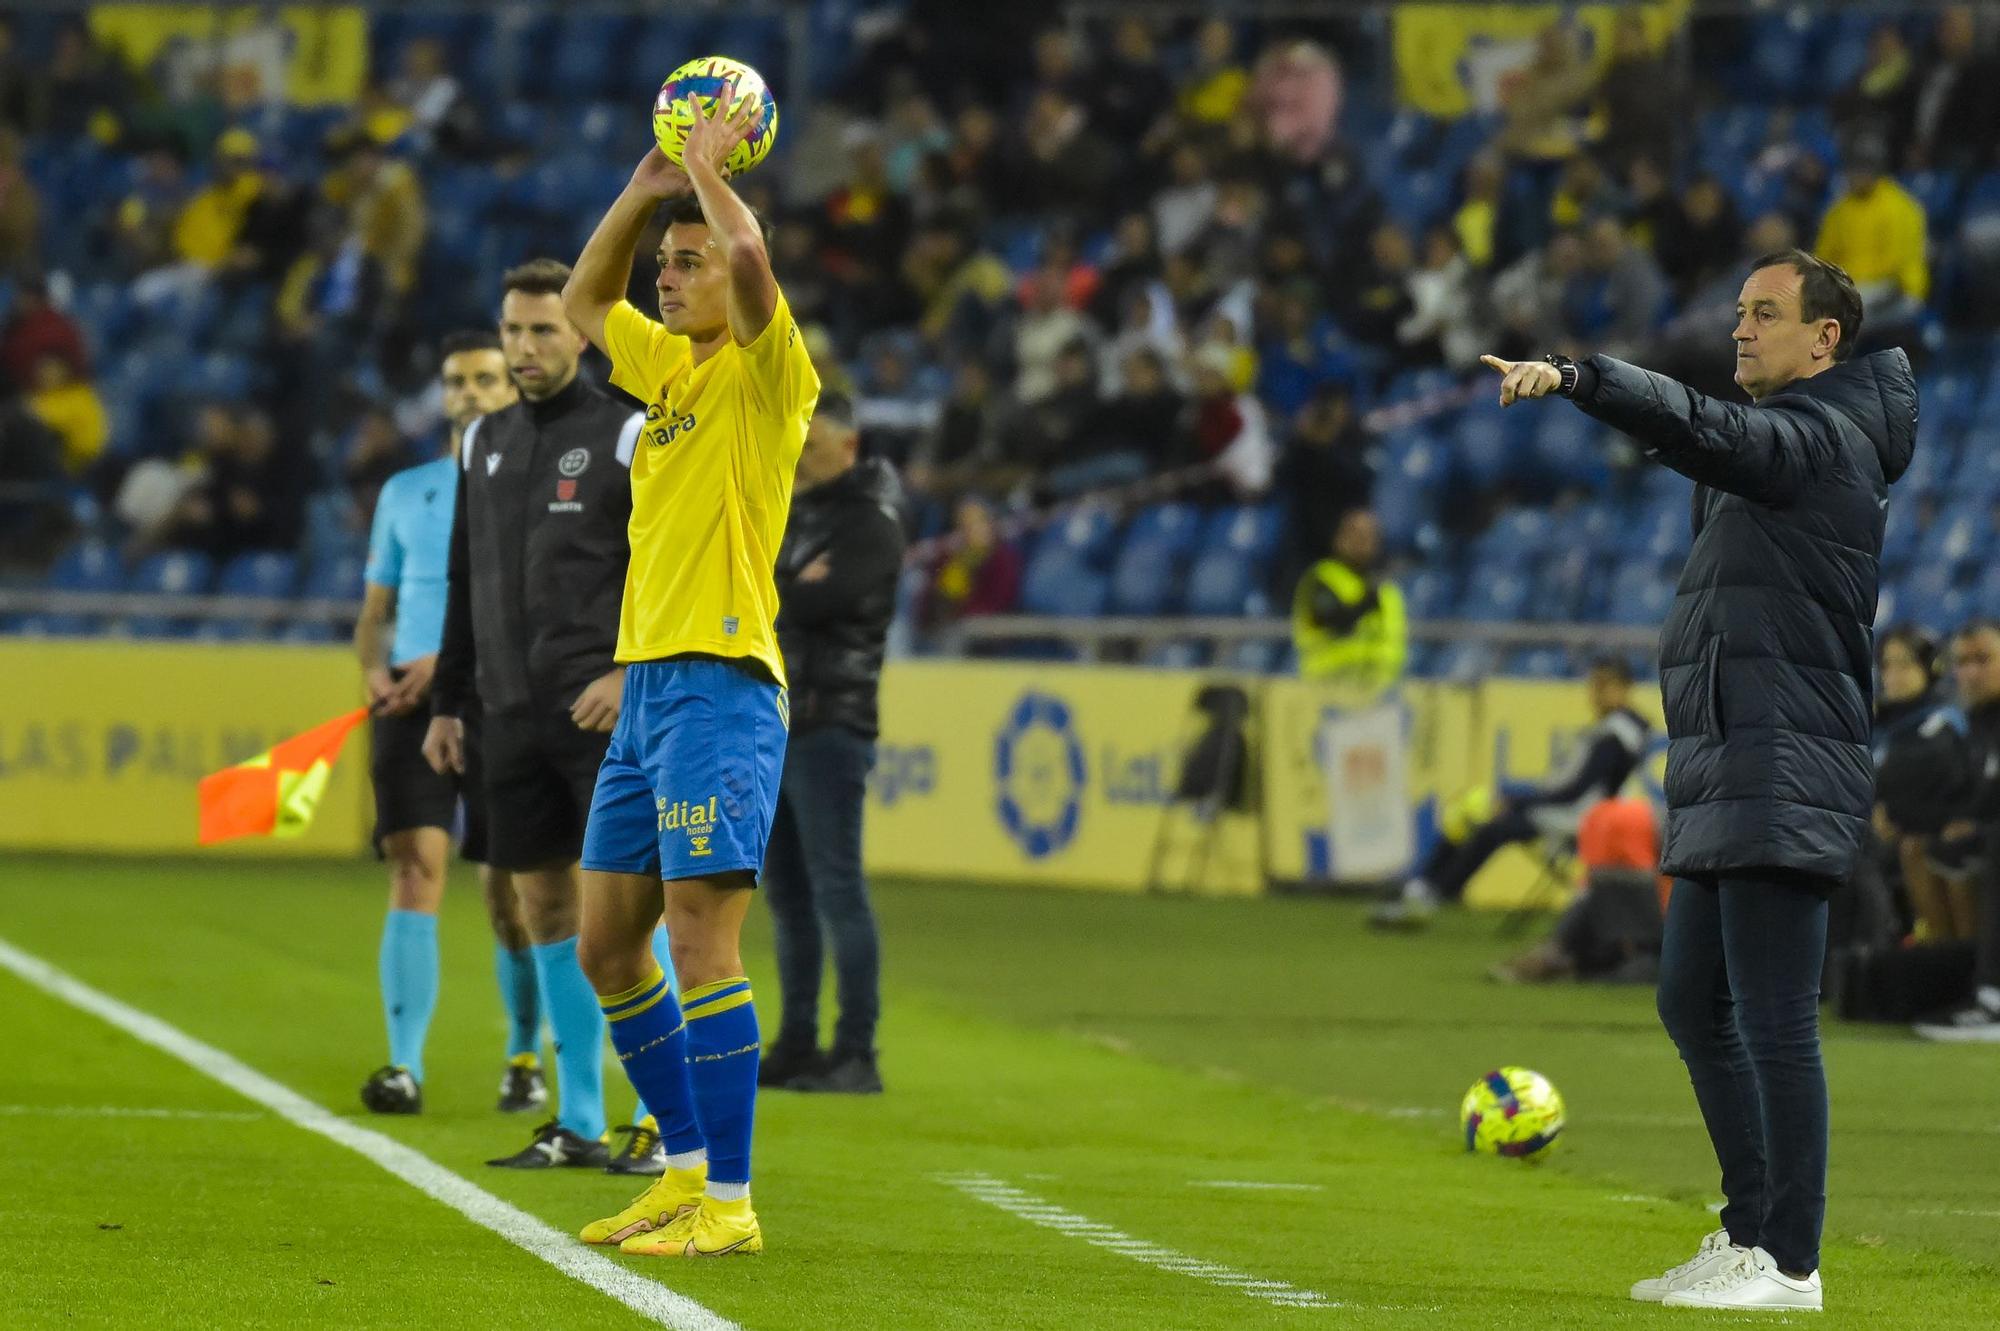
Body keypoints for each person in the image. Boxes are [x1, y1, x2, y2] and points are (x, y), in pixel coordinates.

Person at [1480, 246, 1915, 1312]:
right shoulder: (1778, 446)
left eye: (1762, 313)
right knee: (1687, 998)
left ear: (1824, 338)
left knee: (1771, 1015)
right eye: (1734, 311)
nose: (1737, 329)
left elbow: (1705, 427)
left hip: (1782, 755)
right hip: (1727, 755)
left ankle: (1790, 1263)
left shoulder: (1820, 439)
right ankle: (1747, 1229)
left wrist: (1583, 377)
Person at [560, 86, 819, 1259]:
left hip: (721, 679)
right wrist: (642, 191)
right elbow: (577, 302)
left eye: (686, 263)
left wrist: (714, 182)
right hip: (649, 686)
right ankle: (678, 1169)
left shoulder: (771, 381)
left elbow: (755, 252)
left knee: (700, 941)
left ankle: (731, 1199)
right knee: (608, 942)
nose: (666, 277)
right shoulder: (665, 374)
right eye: (665, 264)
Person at [423, 259, 667, 1176]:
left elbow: (663, 566)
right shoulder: (480, 442)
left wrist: (626, 669)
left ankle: (654, 1115)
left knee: (629, 920)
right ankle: (579, 1116)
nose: (524, 349)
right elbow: (463, 577)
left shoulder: (627, 433)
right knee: (543, 908)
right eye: (513, 331)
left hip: (603, 714)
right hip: (508, 716)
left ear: (584, 333)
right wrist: (452, 700)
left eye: (543, 331)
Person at [356, 330, 547, 1118]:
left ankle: (525, 1053)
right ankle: (404, 1066)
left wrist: (443, 663)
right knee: (414, 866)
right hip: (407, 701)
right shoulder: (406, 491)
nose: (467, 391)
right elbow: (375, 613)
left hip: (497, 697)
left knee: (512, 889)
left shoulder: (539, 485)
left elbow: (539, 604)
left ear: (511, 388)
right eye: (456, 379)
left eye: (484, 378)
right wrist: (376, 667)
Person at [760, 392, 906, 1094]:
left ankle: (857, 1050)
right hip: (782, 720)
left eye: (812, 445)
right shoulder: (806, 514)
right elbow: (786, 594)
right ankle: (797, 1043)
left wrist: (779, 586)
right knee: (788, 894)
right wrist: (787, 584)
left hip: (830, 725)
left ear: (848, 447)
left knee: (837, 888)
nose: (801, 456)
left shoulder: (869, 523)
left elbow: (806, 601)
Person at [1373, 657, 1651, 928]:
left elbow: (1575, 792)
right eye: (1594, 685)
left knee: (1491, 828)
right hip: (1570, 811)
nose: (1596, 693)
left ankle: (1430, 892)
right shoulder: (1619, 729)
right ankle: (1423, 887)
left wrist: (1519, 803)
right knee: (1468, 816)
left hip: (1581, 819)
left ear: (1625, 688)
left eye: (1604, 685)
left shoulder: (1616, 735)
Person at [1913, 620, 2000, 1041]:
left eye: (1983, 659)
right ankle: (1963, 979)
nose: (1970, 672)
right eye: (1962, 662)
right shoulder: (1980, 725)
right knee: (1927, 846)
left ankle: (1993, 997)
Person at [1291, 507, 1405, 701]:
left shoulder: (1388, 590)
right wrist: (1368, 600)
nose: (1362, 540)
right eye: (1355, 532)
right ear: (1339, 537)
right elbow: (1334, 620)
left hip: (1381, 695)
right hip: (1329, 691)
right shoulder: (1322, 578)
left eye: (1369, 534)